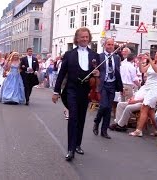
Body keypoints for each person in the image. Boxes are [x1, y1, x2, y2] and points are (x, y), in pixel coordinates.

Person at [52, 27, 100, 161]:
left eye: (86, 37)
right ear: (77, 39)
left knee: (81, 118)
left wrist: (97, 74)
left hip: (85, 91)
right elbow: (61, 74)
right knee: (73, 118)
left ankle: (78, 144)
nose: (84, 39)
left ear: (89, 39)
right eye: (82, 37)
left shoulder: (94, 56)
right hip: (71, 89)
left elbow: (98, 74)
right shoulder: (69, 54)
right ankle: (70, 149)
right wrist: (56, 92)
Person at [129, 50, 157, 137]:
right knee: (150, 111)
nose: (156, 56)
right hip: (148, 87)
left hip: (155, 88)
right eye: (156, 54)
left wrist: (149, 59)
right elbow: (142, 70)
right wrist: (140, 61)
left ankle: (139, 130)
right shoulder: (152, 62)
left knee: (144, 107)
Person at [92, 38, 123, 139]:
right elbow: (95, 69)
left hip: (112, 84)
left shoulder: (117, 58)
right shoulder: (99, 57)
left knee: (108, 108)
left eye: (112, 45)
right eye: (108, 44)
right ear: (104, 45)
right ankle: (97, 121)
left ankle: (104, 131)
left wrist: (120, 87)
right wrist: (96, 73)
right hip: (103, 84)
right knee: (104, 106)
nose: (110, 46)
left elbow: (117, 71)